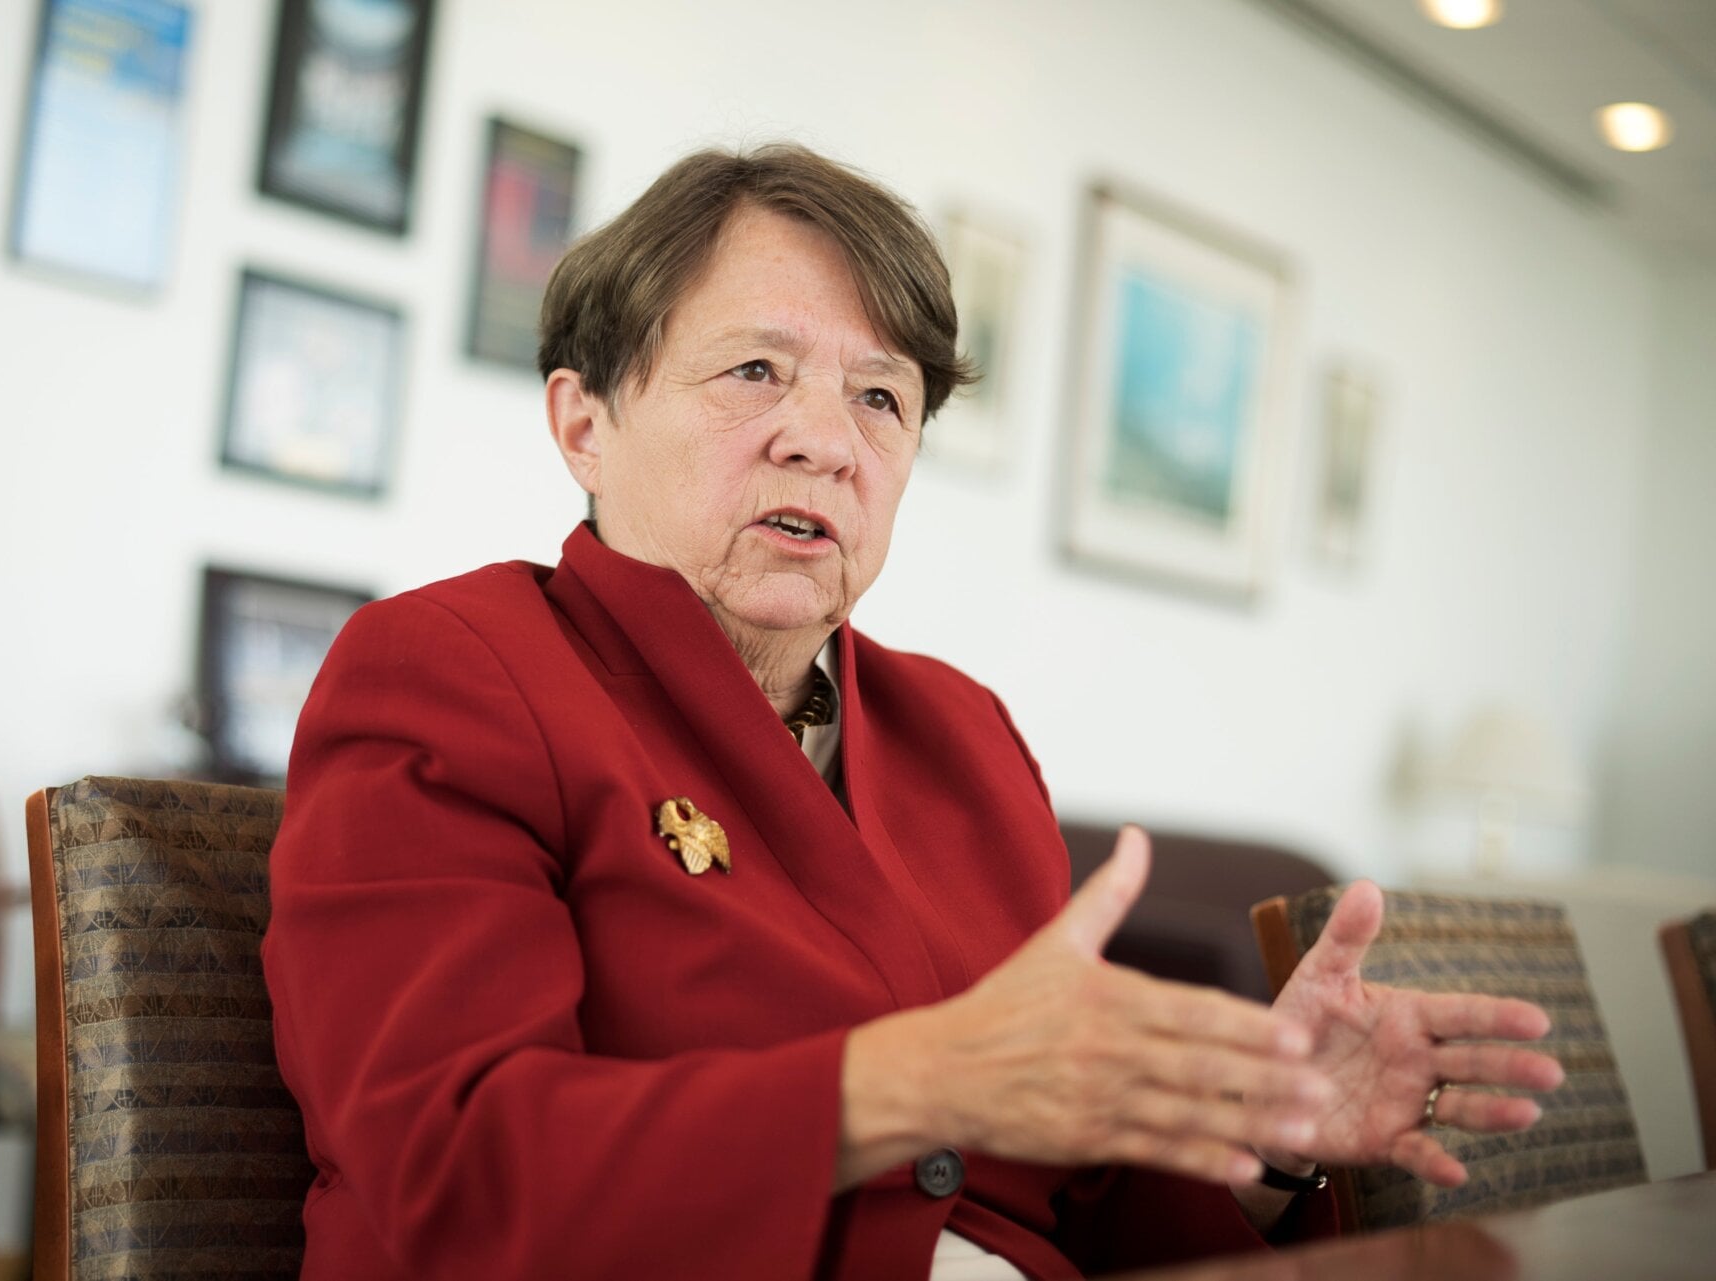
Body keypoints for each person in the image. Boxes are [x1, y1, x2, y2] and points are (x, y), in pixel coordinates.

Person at [262, 144, 1563, 1281]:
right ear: (584, 422)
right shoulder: (453, 668)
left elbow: (1080, 1197)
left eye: (880, 398)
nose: (825, 441)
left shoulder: (965, 735)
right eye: (756, 370)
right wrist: (909, 1082)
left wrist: (1267, 1135)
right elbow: (456, 1170)